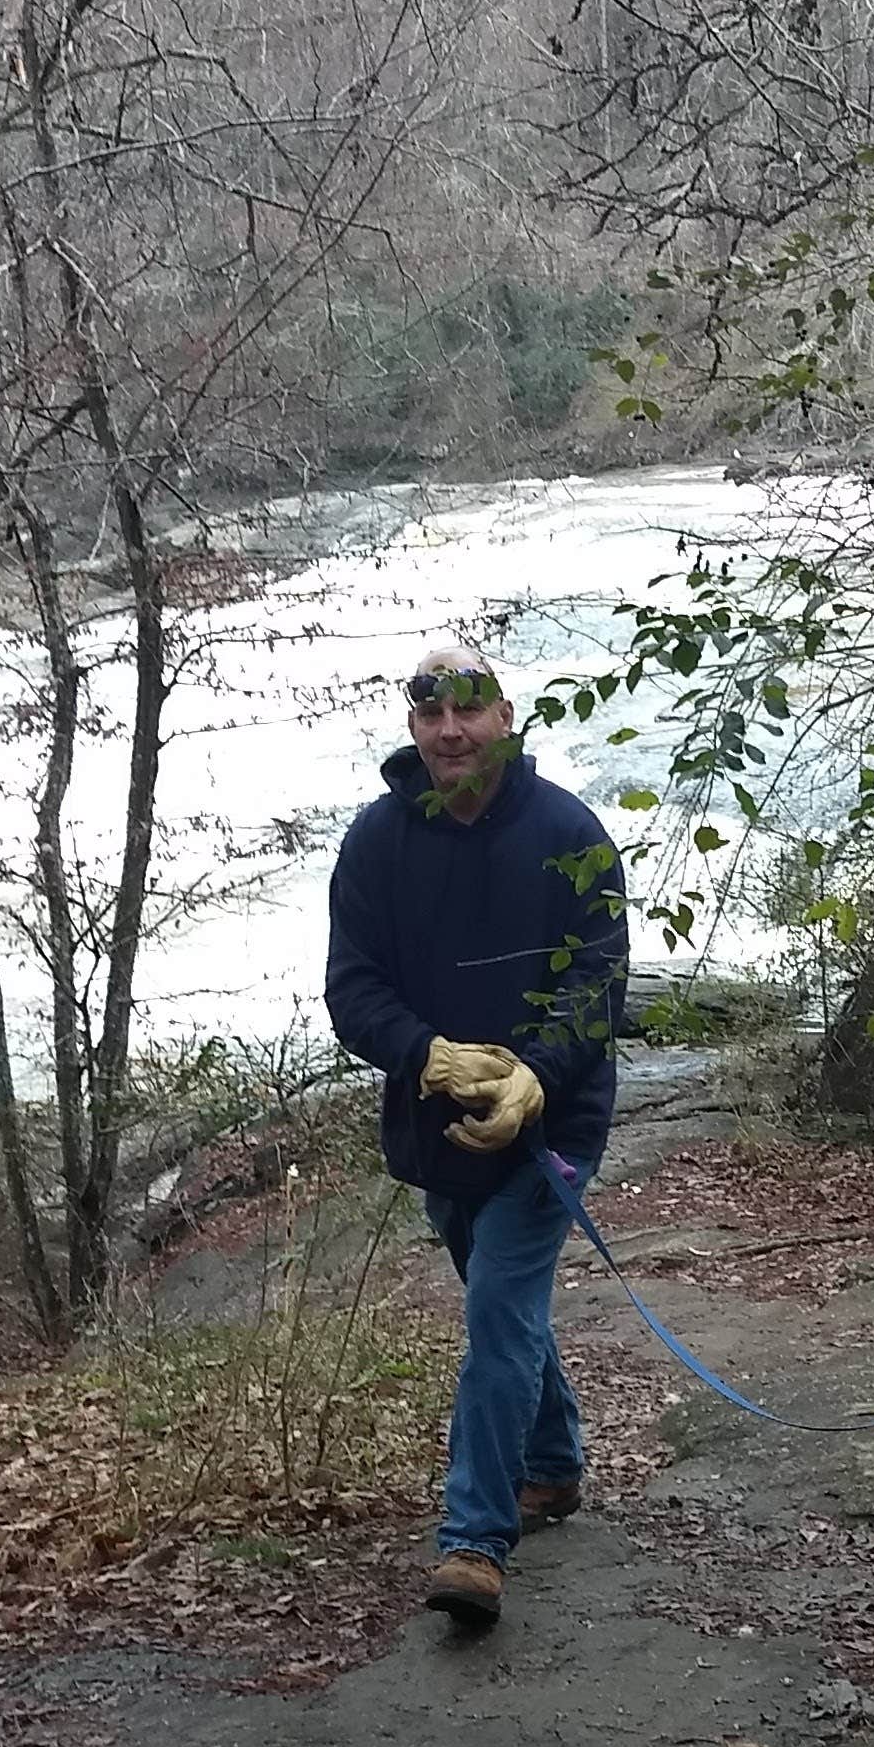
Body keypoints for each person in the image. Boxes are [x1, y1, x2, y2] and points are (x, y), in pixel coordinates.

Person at [324, 636, 628, 1632]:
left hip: (552, 1127)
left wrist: (535, 1075)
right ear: (413, 725)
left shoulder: (569, 831)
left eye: (470, 707)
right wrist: (434, 1057)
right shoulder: (376, 842)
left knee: (498, 1311)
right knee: (501, 1303)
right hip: (437, 1127)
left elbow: (598, 984)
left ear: (505, 716)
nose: (451, 729)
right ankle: (551, 1461)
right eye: (430, 711)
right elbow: (353, 991)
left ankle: (473, 1542)